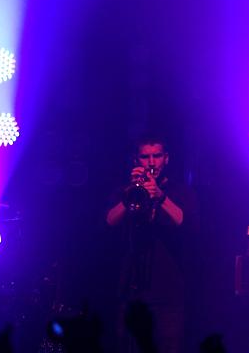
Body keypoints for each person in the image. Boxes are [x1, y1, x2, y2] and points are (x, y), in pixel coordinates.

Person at [106, 136, 199, 353]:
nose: (151, 162)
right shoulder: (126, 189)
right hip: (131, 289)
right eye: (145, 157)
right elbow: (109, 221)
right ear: (136, 160)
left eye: (156, 156)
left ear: (166, 159)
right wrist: (132, 191)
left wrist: (160, 196)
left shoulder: (180, 191)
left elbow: (185, 223)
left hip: (168, 292)